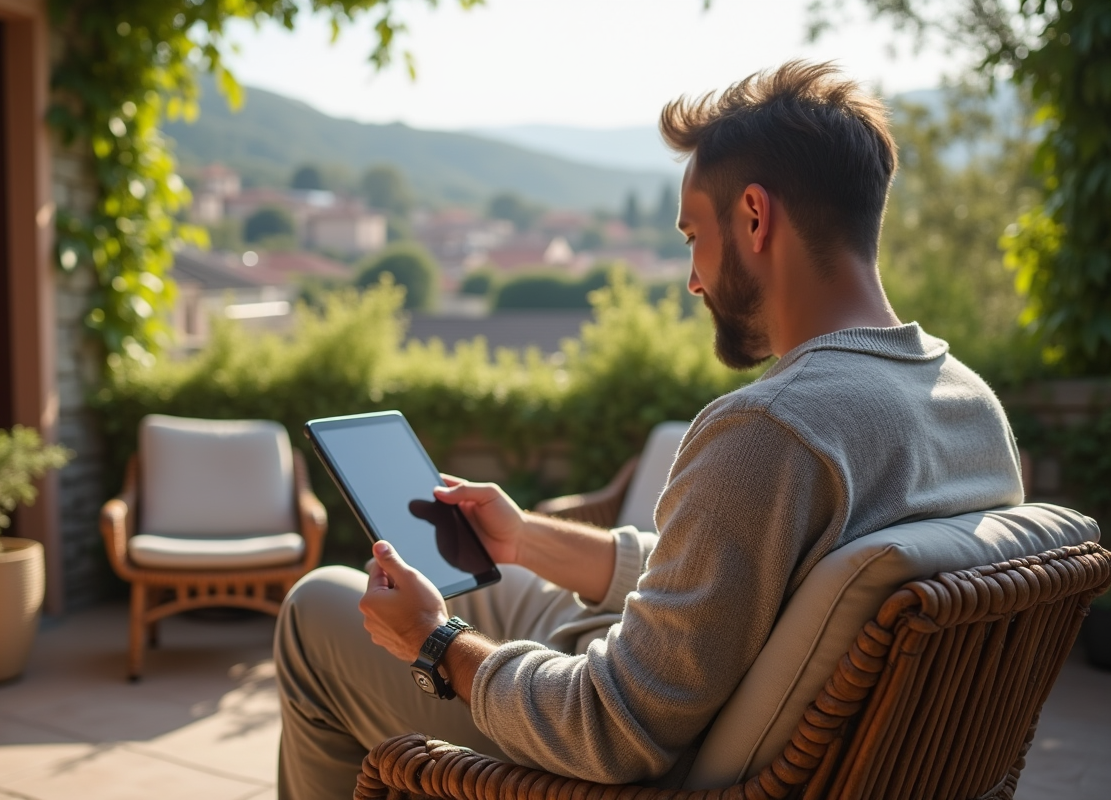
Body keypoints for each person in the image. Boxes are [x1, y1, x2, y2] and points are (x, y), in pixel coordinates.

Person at [273, 60, 1024, 799]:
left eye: (694, 234)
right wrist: (524, 538)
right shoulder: (968, 405)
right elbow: (731, 584)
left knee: (318, 608)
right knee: (492, 581)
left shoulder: (772, 429)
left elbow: (609, 727)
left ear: (755, 218)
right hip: (725, 708)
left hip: (613, 757)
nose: (694, 277)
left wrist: (435, 645)